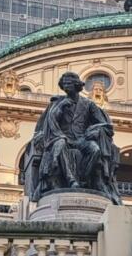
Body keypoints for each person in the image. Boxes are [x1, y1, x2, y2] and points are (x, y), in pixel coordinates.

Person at [23, 71, 121, 203]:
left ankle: (84, 180)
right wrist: (60, 108)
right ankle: (71, 180)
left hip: (81, 139)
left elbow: (105, 125)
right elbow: (50, 122)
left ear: (76, 85)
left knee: (95, 149)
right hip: (60, 137)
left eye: (69, 83)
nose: (66, 86)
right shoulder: (57, 103)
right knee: (61, 143)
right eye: (64, 84)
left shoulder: (88, 104)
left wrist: (97, 130)